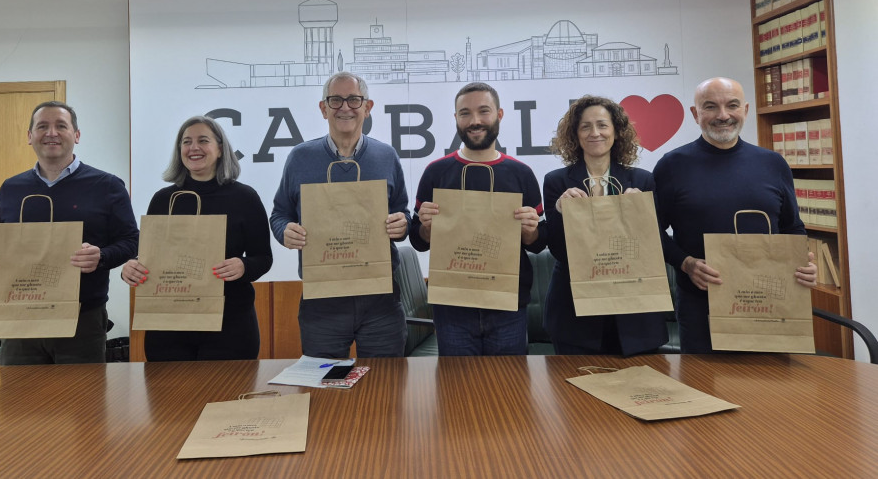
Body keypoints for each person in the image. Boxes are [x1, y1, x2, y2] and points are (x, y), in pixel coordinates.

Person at [654, 77, 817, 353]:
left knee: (771, 388)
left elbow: (792, 227)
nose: (723, 115)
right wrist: (686, 263)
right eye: (710, 107)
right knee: (703, 389)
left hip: (770, 302)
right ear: (695, 114)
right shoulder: (672, 166)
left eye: (732, 105)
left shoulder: (773, 164)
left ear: (746, 110)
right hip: (700, 305)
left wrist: (803, 263)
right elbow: (653, 233)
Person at [0, 101, 139, 364]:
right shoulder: (11, 188)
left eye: (61, 125)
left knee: (82, 402)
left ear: (77, 135)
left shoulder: (107, 185)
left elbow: (131, 241)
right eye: (42, 126)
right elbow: (4, 247)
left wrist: (101, 257)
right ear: (29, 137)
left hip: (82, 319)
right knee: (19, 402)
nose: (52, 133)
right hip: (19, 319)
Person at [270, 72, 411, 358]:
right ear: (323, 108)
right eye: (335, 100)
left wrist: (403, 224)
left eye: (354, 100)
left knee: (385, 388)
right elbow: (279, 214)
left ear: (367, 107)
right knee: (325, 391)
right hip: (322, 301)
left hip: (380, 300)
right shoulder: (300, 157)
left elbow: (402, 212)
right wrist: (285, 231)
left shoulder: (387, 156)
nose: (344, 107)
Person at [120, 116, 273, 361]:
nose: (194, 148)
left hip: (230, 324)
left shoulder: (245, 197)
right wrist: (131, 267)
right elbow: (151, 256)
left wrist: (244, 265)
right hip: (168, 328)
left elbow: (263, 258)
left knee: (226, 398)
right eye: (186, 142)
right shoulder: (162, 199)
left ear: (220, 148)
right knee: (170, 399)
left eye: (203, 140)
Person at [409, 82, 545, 356]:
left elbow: (536, 244)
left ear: (500, 114)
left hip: (507, 306)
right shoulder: (436, 172)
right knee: (457, 390)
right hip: (452, 308)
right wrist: (426, 228)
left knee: (509, 389)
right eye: (465, 113)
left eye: (484, 111)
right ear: (456, 118)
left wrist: (530, 231)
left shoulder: (522, 173)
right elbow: (418, 241)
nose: (475, 121)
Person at [543, 95, 668, 355]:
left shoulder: (642, 181)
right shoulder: (557, 182)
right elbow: (557, 249)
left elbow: (653, 247)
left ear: (616, 131)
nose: (594, 133)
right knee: (575, 394)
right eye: (585, 126)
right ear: (575, 134)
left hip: (635, 314)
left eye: (602, 125)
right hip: (575, 313)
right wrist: (558, 211)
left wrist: (642, 213)